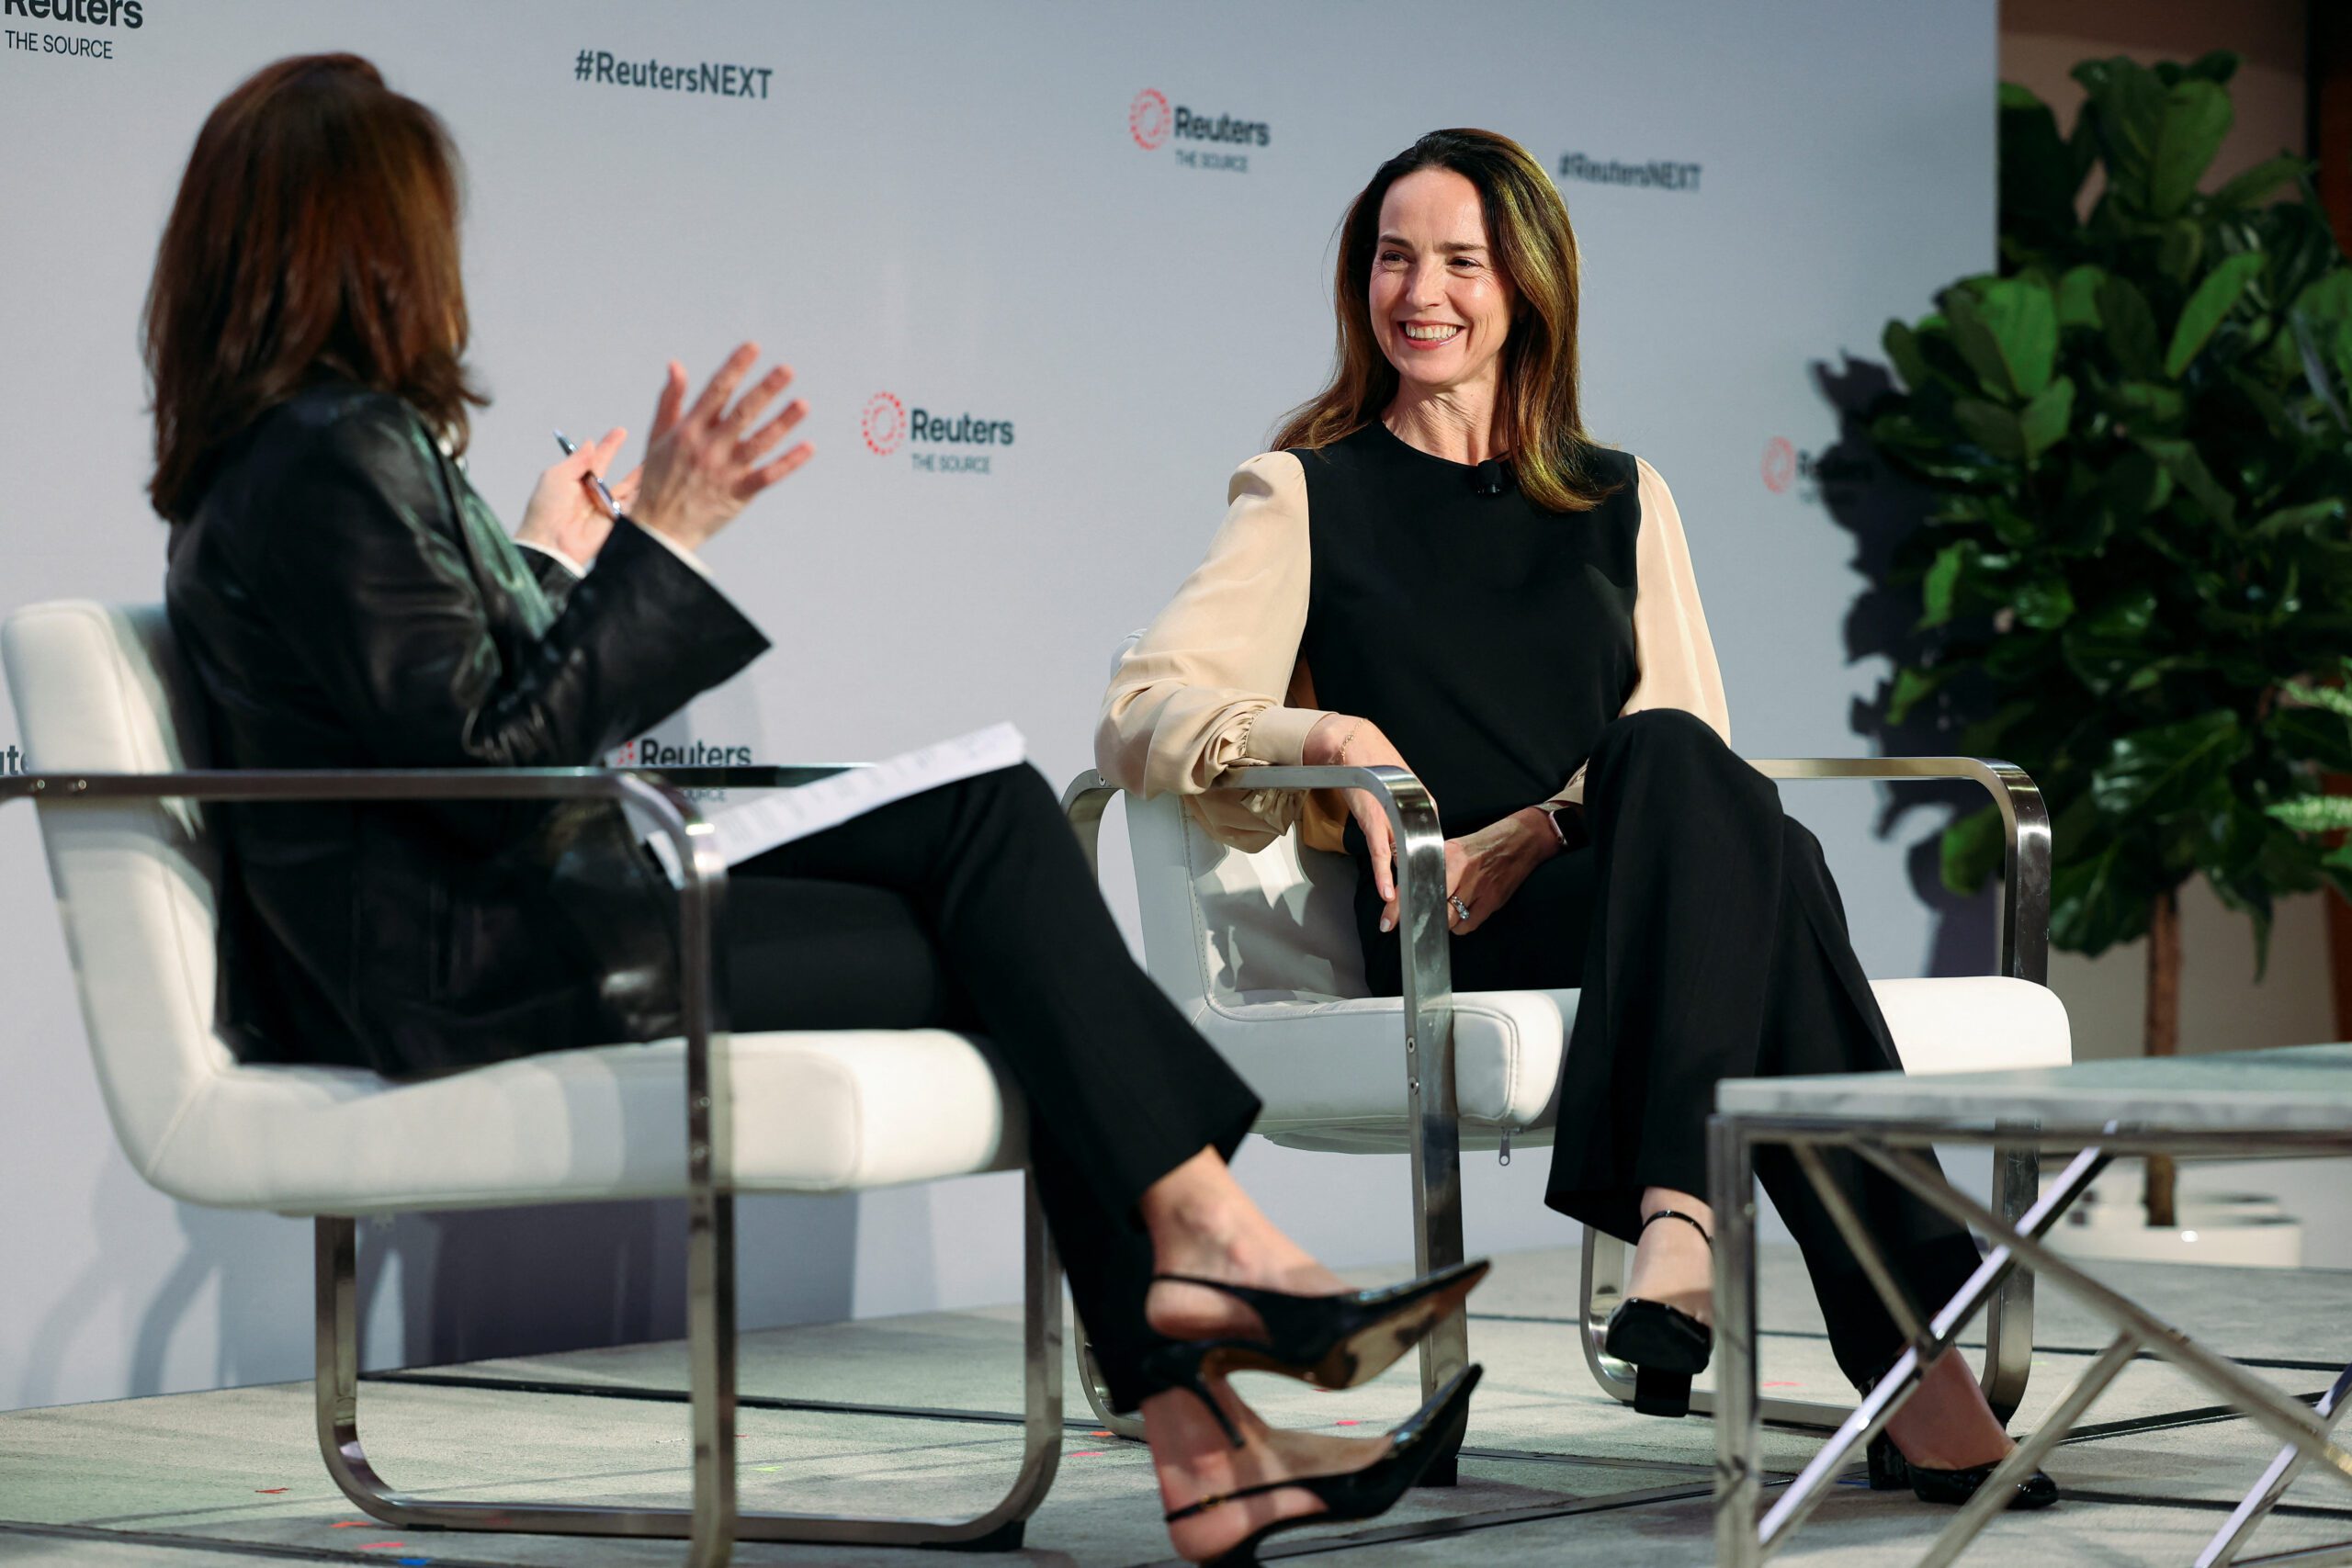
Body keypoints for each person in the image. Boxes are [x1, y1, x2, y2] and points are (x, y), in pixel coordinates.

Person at [146, 55, 1483, 1565]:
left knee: (991, 840)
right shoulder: (331, 458)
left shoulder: (301, 460)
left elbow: (438, 723)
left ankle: (1208, 1399)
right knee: (1008, 896)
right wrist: (675, 539)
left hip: (501, 925)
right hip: (479, 967)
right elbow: (482, 775)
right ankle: (1212, 1286)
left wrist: (575, 559)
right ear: (364, 246)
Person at [1098, 128, 2057, 1512]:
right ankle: (1890, 1348)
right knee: (1770, 866)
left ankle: (1692, 1227)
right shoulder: (1309, 490)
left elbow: (1689, 760)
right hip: (1448, 919)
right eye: (1392, 258)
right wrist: (1330, 735)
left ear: (1529, 285)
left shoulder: (1622, 497)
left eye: (1461, 261)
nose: (1420, 292)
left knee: (1709, 795)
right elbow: (1142, 706)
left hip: (1620, 887)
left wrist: (1545, 823)